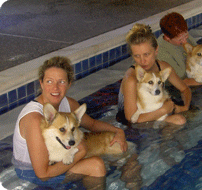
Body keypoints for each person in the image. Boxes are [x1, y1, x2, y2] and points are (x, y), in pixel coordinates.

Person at [12, 56, 128, 190]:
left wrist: (119, 131)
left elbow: (92, 125)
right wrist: (80, 152)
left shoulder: (69, 104)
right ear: (41, 83)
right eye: (49, 81)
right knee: (96, 165)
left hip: (59, 159)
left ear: (69, 84)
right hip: (31, 173)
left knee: (125, 153)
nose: (55, 88)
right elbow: (43, 174)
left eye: (61, 82)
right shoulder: (34, 119)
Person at [116, 23, 192, 125]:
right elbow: (130, 118)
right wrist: (164, 110)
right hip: (133, 123)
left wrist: (185, 107)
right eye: (137, 56)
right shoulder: (131, 79)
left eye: (146, 54)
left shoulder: (163, 67)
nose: (142, 61)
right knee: (179, 121)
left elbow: (185, 89)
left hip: (155, 110)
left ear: (156, 51)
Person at [157, 12, 202, 86]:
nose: (185, 41)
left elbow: (201, 56)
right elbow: (181, 82)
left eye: (186, 35)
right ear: (167, 38)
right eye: (180, 39)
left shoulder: (182, 35)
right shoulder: (161, 52)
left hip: (195, 78)